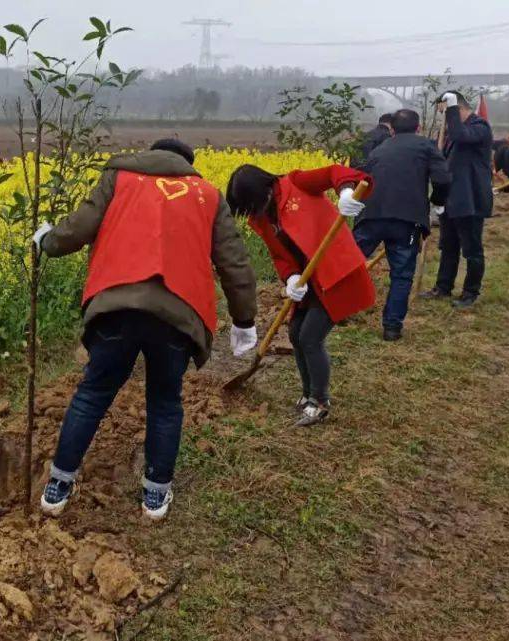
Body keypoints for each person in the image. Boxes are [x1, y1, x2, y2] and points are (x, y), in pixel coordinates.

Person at [32, 139, 259, 520]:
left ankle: (58, 486)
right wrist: (244, 320)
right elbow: (233, 262)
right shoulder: (206, 194)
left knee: (92, 394)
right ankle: (155, 495)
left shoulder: (118, 177)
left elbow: (78, 228)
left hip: (116, 307)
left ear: (150, 155)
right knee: (165, 402)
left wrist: (47, 241)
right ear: (187, 165)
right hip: (177, 315)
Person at [225, 163, 375, 426]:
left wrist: (346, 191)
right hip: (308, 282)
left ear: (263, 190)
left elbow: (334, 172)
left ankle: (320, 401)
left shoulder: (297, 184)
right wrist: (290, 276)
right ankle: (307, 394)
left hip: (332, 274)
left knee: (310, 337)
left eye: (250, 204)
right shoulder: (262, 218)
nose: (251, 212)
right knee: (295, 333)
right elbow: (279, 255)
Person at [355, 109, 451, 341]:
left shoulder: (380, 148)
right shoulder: (427, 147)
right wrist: (438, 202)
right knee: (401, 274)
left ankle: (330, 311)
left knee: (349, 264)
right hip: (406, 220)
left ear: (392, 129)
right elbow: (443, 179)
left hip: (371, 215)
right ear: (417, 128)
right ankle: (391, 327)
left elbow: (362, 177)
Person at [419, 90, 493, 309]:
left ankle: (470, 292)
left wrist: (450, 108)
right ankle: (443, 287)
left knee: (471, 249)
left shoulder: (479, 127)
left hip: (470, 199)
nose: (445, 118)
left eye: (446, 111)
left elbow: (462, 136)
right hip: (450, 199)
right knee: (448, 246)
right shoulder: (452, 132)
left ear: (457, 107)